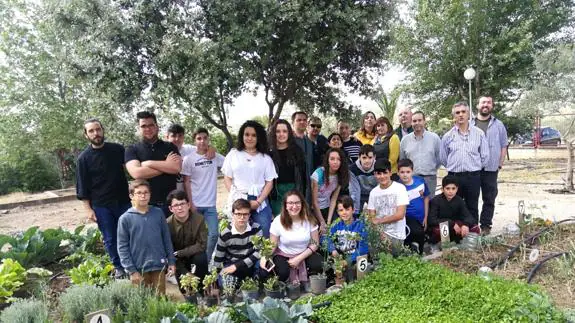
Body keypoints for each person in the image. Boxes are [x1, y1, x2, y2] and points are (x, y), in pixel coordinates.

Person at [76, 118, 131, 278]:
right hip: (101, 205)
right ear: (86, 135)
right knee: (110, 238)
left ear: (103, 130)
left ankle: (132, 264)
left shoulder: (117, 149)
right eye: (91, 131)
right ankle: (119, 267)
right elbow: (82, 186)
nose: (96, 133)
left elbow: (131, 168)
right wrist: (88, 209)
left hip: (123, 202)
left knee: (129, 234)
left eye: (98, 129)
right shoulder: (83, 159)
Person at [117, 180, 176, 295]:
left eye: (146, 192)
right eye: (139, 193)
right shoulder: (125, 219)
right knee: (143, 303)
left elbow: (166, 239)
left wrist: (171, 262)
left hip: (158, 266)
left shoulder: (158, 213)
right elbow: (122, 247)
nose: (143, 196)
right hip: (139, 269)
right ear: (131, 196)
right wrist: (131, 270)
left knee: (160, 300)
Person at [222, 120, 277, 237]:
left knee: (263, 229)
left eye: (254, 135)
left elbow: (269, 182)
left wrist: (258, 201)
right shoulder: (233, 155)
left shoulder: (265, 158)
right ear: (242, 135)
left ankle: (262, 255)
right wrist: (237, 198)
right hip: (238, 197)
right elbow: (227, 178)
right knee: (238, 233)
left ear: (259, 138)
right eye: (247, 134)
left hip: (259, 200)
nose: (250, 138)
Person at [440, 102, 490, 226]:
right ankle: (456, 235)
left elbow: (485, 156)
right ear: (454, 116)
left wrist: (474, 168)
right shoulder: (447, 136)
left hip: (473, 176)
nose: (461, 115)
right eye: (457, 113)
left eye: (463, 112)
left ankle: (472, 234)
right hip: (454, 177)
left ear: (469, 114)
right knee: (453, 206)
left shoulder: (479, 134)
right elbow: (443, 157)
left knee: (472, 206)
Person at [125, 111, 182, 217]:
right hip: (146, 206)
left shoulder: (170, 147)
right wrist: (166, 165)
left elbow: (176, 168)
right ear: (139, 128)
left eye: (151, 125)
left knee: (172, 234)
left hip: (171, 204)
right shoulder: (132, 149)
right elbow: (137, 173)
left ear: (157, 126)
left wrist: (148, 163)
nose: (148, 129)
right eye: (143, 126)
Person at [262, 190, 322, 288]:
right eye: (290, 203)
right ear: (285, 205)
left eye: (297, 203)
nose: (294, 206)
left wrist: (299, 258)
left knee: (318, 264)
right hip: (284, 254)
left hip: (304, 252)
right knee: (281, 272)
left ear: (302, 204)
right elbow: (272, 245)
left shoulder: (309, 219)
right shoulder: (278, 221)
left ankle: (309, 280)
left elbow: (315, 244)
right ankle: (288, 282)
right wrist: (264, 256)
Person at [181, 127, 224, 260]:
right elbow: (186, 182)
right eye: (199, 138)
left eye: (205, 138)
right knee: (194, 236)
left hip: (210, 205)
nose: (202, 141)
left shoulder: (214, 156)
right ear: (194, 140)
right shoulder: (189, 159)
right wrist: (190, 203)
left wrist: (214, 149)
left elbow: (230, 162)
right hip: (195, 205)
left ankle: (206, 259)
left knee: (214, 234)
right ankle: (193, 261)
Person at [471, 96, 508, 235]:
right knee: (472, 198)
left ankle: (486, 225)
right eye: (483, 102)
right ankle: (472, 226)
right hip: (473, 167)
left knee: (489, 197)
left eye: (488, 103)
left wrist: (500, 163)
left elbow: (504, 145)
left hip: (491, 168)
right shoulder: (470, 124)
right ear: (478, 105)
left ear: (492, 106)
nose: (485, 105)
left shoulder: (499, 125)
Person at [165, 190, 209, 291]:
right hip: (177, 261)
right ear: (171, 209)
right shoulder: (167, 224)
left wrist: (180, 253)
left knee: (201, 258)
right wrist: (185, 273)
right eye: (176, 205)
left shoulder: (199, 219)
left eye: (182, 203)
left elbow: (202, 245)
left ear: (188, 205)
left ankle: (203, 287)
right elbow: (168, 252)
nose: (180, 208)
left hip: (193, 255)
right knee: (187, 290)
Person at [213, 199, 262, 283]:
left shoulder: (256, 228)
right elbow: (218, 258)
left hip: (250, 262)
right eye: (238, 214)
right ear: (233, 214)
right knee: (226, 283)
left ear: (249, 215)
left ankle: (254, 279)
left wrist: (237, 266)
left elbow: (259, 252)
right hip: (231, 263)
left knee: (265, 265)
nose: (242, 218)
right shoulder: (225, 233)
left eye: (245, 214)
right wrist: (214, 283)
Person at [367, 159, 409, 256]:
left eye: (385, 173)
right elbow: (372, 218)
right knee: (377, 262)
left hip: (396, 235)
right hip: (379, 234)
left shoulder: (400, 188)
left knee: (395, 262)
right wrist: (381, 234)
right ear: (375, 174)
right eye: (379, 173)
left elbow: (400, 215)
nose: (382, 176)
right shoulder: (373, 192)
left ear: (390, 173)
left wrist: (379, 221)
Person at [268, 119, 307, 216]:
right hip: (276, 194)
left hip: (294, 191)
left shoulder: (297, 151)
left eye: (284, 131)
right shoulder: (269, 153)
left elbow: (303, 177)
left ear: (289, 133)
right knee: (281, 223)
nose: (281, 134)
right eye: (278, 131)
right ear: (274, 133)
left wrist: (301, 195)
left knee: (295, 222)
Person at [427, 176, 480, 245]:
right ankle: (444, 247)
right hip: (443, 227)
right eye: (447, 188)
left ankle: (466, 245)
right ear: (442, 189)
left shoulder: (459, 200)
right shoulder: (436, 201)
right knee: (443, 229)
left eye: (453, 188)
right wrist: (451, 223)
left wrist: (465, 225)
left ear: (457, 189)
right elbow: (431, 220)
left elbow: (468, 216)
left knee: (475, 228)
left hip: (456, 228)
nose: (450, 191)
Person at [400, 111, 441, 195]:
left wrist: (431, 169)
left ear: (424, 121)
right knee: (413, 205)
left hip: (430, 179)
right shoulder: (405, 140)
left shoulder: (434, 138)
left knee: (430, 205)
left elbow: (439, 159)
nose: (417, 123)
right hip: (411, 179)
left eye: (420, 120)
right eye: (414, 121)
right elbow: (402, 160)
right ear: (411, 122)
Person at [328, 195, 368, 282]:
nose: (344, 213)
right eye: (341, 210)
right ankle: (337, 281)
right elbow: (326, 238)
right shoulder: (336, 224)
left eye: (347, 209)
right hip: (339, 257)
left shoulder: (360, 225)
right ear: (337, 212)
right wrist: (333, 250)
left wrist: (347, 261)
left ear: (353, 210)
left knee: (351, 273)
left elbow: (363, 249)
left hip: (353, 259)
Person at [165, 124, 216, 191]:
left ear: (183, 137)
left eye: (180, 136)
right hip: (168, 193)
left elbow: (203, 147)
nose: (177, 139)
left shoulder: (189, 149)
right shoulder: (161, 151)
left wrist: (211, 148)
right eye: (173, 136)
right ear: (167, 137)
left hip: (187, 194)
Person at [311, 148, 349, 233]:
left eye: (338, 159)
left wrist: (328, 222)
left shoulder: (340, 175)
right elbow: (314, 202)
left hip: (327, 207)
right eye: (332, 159)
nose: (335, 162)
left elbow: (333, 199)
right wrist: (322, 222)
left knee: (333, 230)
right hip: (314, 210)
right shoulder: (318, 174)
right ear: (327, 160)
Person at [397, 159, 430, 255]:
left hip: (421, 218)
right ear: (398, 173)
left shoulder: (420, 181)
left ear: (412, 171)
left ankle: (418, 253)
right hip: (407, 219)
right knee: (414, 235)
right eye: (402, 172)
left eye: (408, 172)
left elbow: (426, 198)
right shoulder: (398, 187)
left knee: (421, 239)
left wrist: (426, 217)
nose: (405, 175)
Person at [291, 111, 315, 201]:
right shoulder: (289, 141)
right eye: (299, 120)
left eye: (304, 120)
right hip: (293, 186)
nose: (302, 122)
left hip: (308, 186)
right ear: (293, 123)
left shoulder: (309, 142)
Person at [348, 145, 377, 213]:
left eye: (370, 157)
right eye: (364, 157)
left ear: (374, 157)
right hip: (360, 196)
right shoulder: (352, 169)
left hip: (374, 196)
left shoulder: (378, 167)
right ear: (359, 157)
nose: (367, 161)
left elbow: (380, 188)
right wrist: (356, 211)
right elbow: (354, 191)